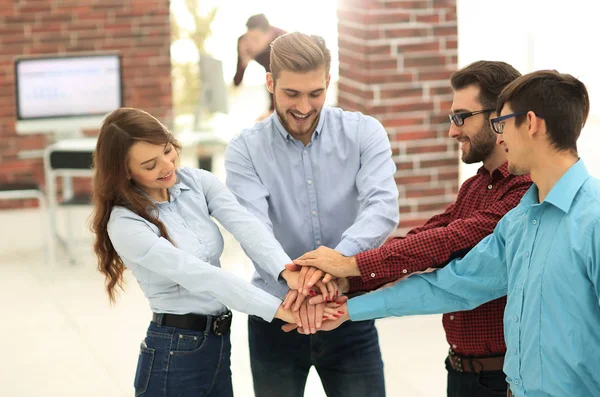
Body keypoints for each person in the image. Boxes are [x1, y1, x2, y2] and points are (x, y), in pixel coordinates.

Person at [309, 71, 600, 397]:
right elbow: (452, 287)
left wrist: (351, 266)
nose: (500, 138)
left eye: (502, 124)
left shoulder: (594, 222)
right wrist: (347, 311)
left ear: (530, 123)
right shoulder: (518, 223)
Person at [89, 107, 332, 397]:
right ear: (125, 171)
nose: (167, 166)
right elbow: (204, 277)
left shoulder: (196, 182)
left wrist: (288, 273)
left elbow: (247, 227)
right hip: (173, 353)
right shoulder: (126, 223)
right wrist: (280, 310)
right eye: (150, 165)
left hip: (217, 343)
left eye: (167, 151)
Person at [224, 32, 400, 397]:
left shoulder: (364, 132)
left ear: (328, 83)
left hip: (348, 311)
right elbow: (252, 227)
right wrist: (300, 282)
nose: (304, 106)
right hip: (276, 315)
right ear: (270, 83)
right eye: (292, 94)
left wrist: (330, 267)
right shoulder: (245, 149)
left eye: (315, 93)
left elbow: (382, 209)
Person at [233, 13, 286, 119]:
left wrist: (273, 110)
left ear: (269, 35)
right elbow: (237, 82)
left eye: (255, 39)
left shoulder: (282, 40)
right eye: (249, 37)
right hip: (271, 84)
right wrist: (243, 60)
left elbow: (284, 80)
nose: (251, 43)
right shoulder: (244, 42)